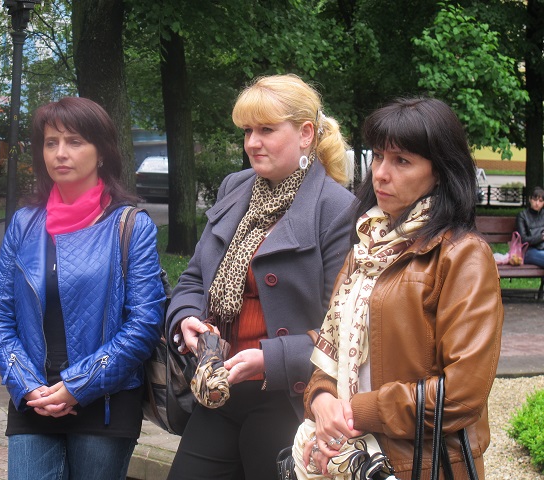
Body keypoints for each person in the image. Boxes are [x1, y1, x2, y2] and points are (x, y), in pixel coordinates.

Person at [296, 97, 504, 479]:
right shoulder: (366, 249)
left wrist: (356, 411)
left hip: (420, 465)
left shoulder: (462, 256)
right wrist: (323, 400)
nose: (380, 173)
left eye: (402, 161)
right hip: (351, 458)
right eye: (378, 156)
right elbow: (330, 353)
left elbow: (462, 394)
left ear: (440, 171)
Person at [165, 73, 356, 480]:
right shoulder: (235, 187)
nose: (252, 142)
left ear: (305, 134)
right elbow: (194, 278)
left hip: (289, 396)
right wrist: (185, 319)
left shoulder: (337, 208)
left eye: (267, 130)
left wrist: (270, 359)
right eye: (248, 131)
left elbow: (342, 330)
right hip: (218, 388)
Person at [0, 97, 166, 480]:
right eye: (51, 142)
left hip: (106, 400)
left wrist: (78, 385)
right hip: (34, 397)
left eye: (74, 141)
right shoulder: (24, 224)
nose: (60, 153)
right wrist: (26, 384)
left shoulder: (131, 226)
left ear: (102, 152)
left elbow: (144, 323)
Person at [516, 186, 544, 267]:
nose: (537, 203)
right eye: (535, 200)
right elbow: (523, 240)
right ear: (530, 199)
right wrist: (541, 237)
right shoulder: (522, 216)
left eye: (540, 201)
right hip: (529, 251)